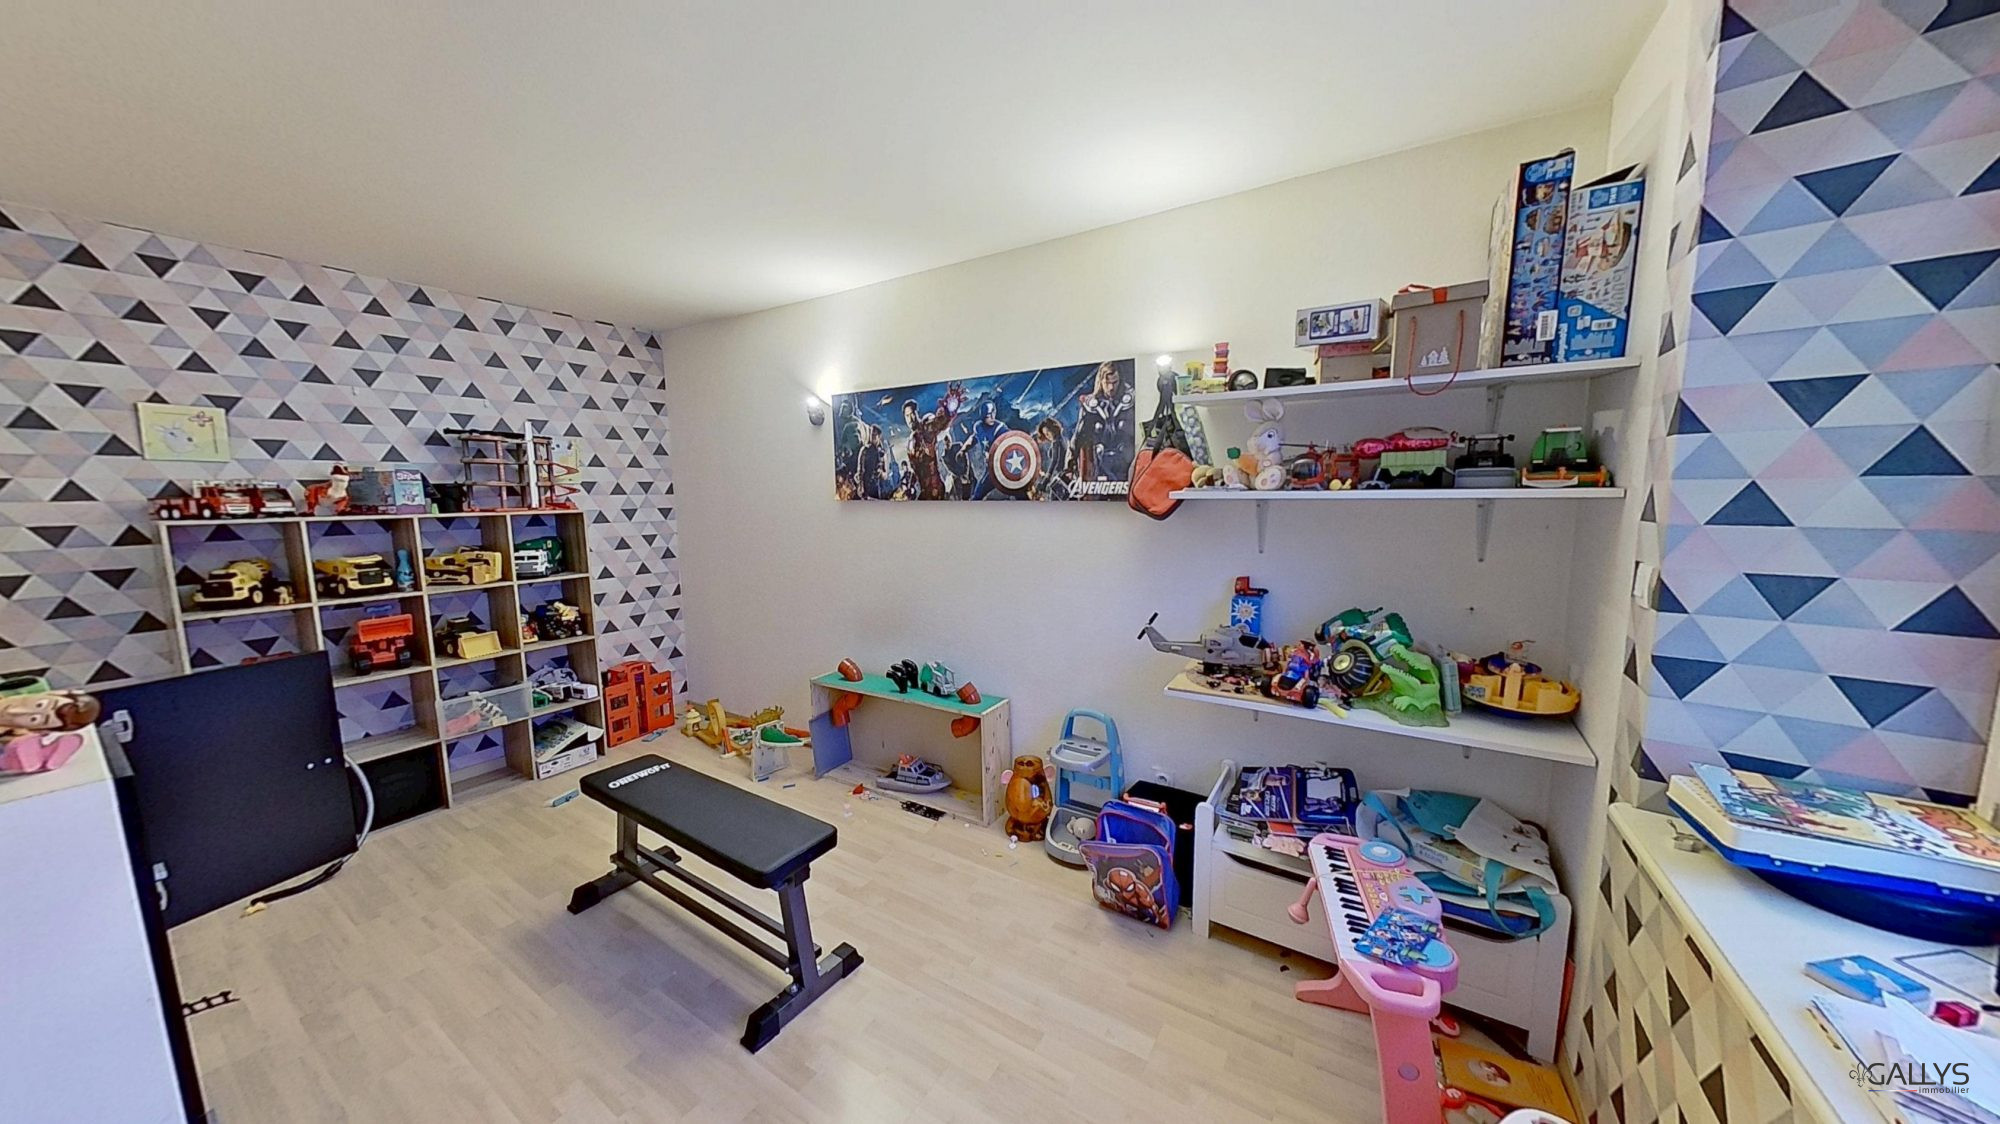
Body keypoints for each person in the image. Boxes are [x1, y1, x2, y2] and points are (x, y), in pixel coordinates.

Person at [1071, 360, 1134, 484]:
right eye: (1107, 383)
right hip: (1098, 465)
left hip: (1125, 465)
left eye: (1115, 382)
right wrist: (1071, 462)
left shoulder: (1131, 401)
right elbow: (1078, 436)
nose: (1111, 388)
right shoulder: (1090, 406)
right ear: (1101, 381)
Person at [900, 382, 965, 500]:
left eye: (912, 414)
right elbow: (916, 470)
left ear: (917, 413)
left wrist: (949, 409)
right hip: (925, 493)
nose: (910, 419)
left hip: (936, 490)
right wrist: (909, 486)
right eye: (907, 416)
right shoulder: (910, 443)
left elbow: (939, 423)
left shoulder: (926, 427)